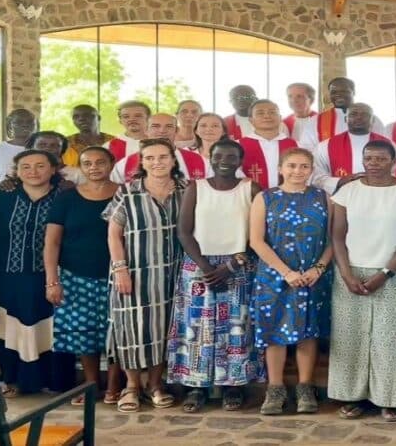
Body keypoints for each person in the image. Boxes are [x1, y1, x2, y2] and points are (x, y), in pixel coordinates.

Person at [329, 140, 396, 422]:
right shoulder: (348, 192)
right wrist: (346, 274)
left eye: (380, 159)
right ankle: (354, 396)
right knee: (352, 337)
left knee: (393, 338)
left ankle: (393, 398)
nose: (373, 163)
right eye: (368, 158)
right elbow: (337, 236)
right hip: (352, 271)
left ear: (393, 160)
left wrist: (385, 273)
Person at [169, 139, 265, 412]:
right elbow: (184, 232)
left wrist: (232, 265)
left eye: (232, 156)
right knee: (197, 327)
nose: (225, 160)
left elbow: (257, 233)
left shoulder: (251, 189)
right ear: (209, 158)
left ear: (240, 160)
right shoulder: (195, 188)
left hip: (239, 266)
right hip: (199, 267)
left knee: (238, 326)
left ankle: (234, 386)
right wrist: (206, 267)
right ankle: (196, 387)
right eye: (219, 155)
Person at [104, 138, 185, 412]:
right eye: (150, 158)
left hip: (173, 272)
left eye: (163, 157)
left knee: (162, 329)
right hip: (134, 272)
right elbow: (114, 233)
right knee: (131, 328)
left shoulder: (186, 190)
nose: (157, 163)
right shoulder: (127, 192)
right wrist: (120, 269)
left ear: (173, 160)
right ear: (142, 162)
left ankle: (155, 384)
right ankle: (131, 386)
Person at [250, 148, 333, 415]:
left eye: (304, 166)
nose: (298, 171)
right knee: (274, 331)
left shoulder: (323, 198)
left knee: (308, 331)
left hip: (313, 276)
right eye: (292, 166)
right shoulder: (265, 198)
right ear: (281, 168)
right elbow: (256, 241)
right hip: (275, 276)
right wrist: (286, 272)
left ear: (311, 170)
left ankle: (305, 387)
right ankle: (275, 390)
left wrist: (318, 268)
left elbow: (334, 240)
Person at [44, 146, 122, 405]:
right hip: (76, 276)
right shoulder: (67, 198)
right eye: (87, 163)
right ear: (81, 167)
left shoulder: (125, 194)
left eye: (100, 162)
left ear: (112, 163)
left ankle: (114, 385)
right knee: (84, 333)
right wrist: (52, 281)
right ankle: (91, 384)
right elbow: (52, 242)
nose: (94, 167)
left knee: (117, 332)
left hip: (118, 275)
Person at [0, 149, 64, 397]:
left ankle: (49, 380)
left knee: (48, 325)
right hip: (7, 272)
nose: (33, 171)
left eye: (40, 166)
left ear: (53, 169)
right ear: (17, 171)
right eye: (26, 166)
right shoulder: (3, 196)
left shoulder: (64, 197)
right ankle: (7, 378)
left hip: (50, 274)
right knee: (7, 326)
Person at [312, 103, 396, 195]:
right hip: (342, 198)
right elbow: (316, 175)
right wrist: (339, 181)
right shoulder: (325, 146)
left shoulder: (390, 145)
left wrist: (377, 180)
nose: (359, 117)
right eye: (353, 114)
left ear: (373, 120)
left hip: (381, 195)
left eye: (364, 114)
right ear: (345, 119)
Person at [111, 113, 211, 183]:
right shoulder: (125, 164)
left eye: (169, 126)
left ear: (176, 130)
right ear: (146, 130)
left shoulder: (201, 162)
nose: (162, 131)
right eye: (155, 126)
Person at [301, 77, 386, 150]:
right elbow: (307, 149)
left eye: (344, 91)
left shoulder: (371, 119)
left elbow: (384, 145)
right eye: (334, 92)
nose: (338, 95)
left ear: (354, 92)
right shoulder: (315, 121)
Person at [238, 100, 298, 189]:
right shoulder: (238, 145)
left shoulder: (296, 145)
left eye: (272, 112)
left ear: (280, 118)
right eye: (260, 113)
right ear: (251, 120)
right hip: (250, 198)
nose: (267, 116)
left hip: (289, 197)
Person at [0, 108, 37, 190]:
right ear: (9, 125)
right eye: (19, 122)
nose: (25, 125)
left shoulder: (41, 151)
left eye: (30, 122)